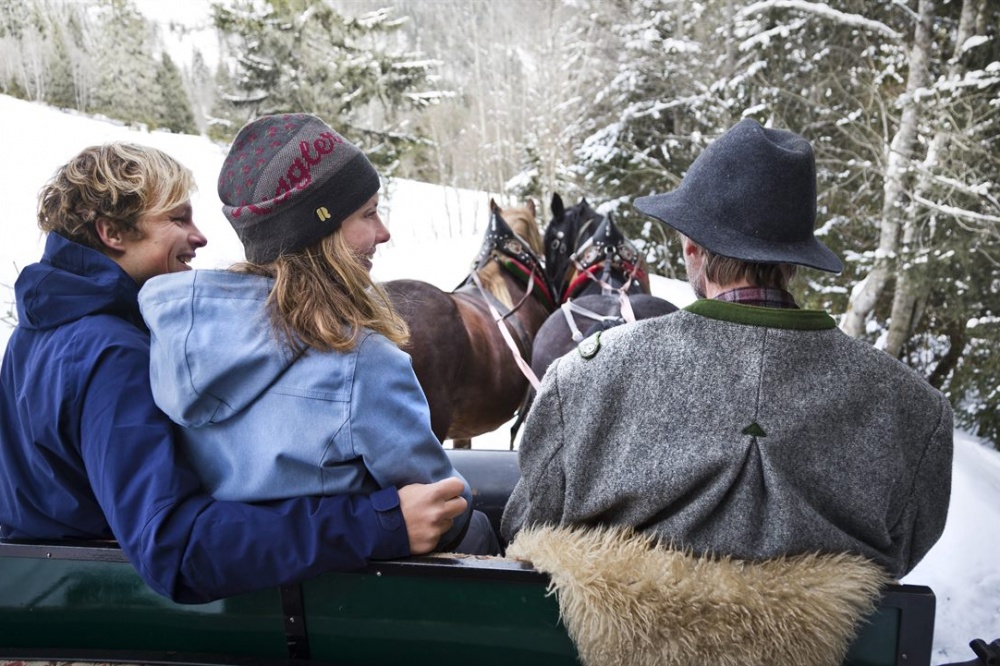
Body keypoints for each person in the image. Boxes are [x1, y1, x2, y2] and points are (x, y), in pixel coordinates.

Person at [0, 141, 471, 604]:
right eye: (177, 218)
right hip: (103, 599)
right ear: (112, 233)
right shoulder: (110, 352)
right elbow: (173, 545)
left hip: (40, 588)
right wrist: (375, 522)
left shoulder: (39, 331)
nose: (200, 236)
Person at [501, 118, 953, 578]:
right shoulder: (915, 412)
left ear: (691, 247)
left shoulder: (581, 379)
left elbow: (525, 533)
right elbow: (898, 559)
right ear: (794, 260)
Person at [138, 113, 497, 555]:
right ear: (319, 230)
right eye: (367, 215)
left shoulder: (174, 342)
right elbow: (440, 506)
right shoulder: (363, 363)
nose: (383, 233)